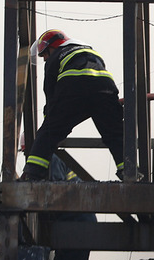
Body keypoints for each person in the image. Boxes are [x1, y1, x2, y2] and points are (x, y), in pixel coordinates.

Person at [21, 30, 125, 181]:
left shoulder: (56, 56)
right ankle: (128, 170)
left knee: (49, 131)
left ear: (52, 46)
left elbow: (50, 91)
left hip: (74, 87)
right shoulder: (90, 50)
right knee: (115, 132)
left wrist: (49, 117)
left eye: (44, 54)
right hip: (105, 89)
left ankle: (32, 173)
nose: (44, 59)